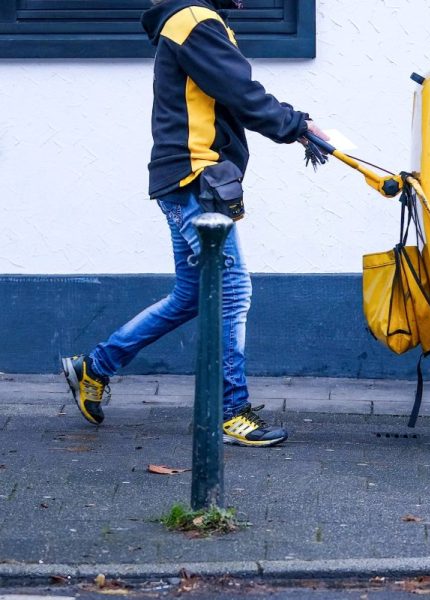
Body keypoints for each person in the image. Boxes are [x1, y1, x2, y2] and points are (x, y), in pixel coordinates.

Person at [61, 0, 328, 447]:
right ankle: (230, 412)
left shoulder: (195, 20)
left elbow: (232, 96)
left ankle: (94, 367)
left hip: (184, 177)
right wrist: (295, 124)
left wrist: (294, 125)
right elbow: (240, 92)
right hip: (193, 176)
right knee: (232, 290)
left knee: (191, 296)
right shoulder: (194, 21)